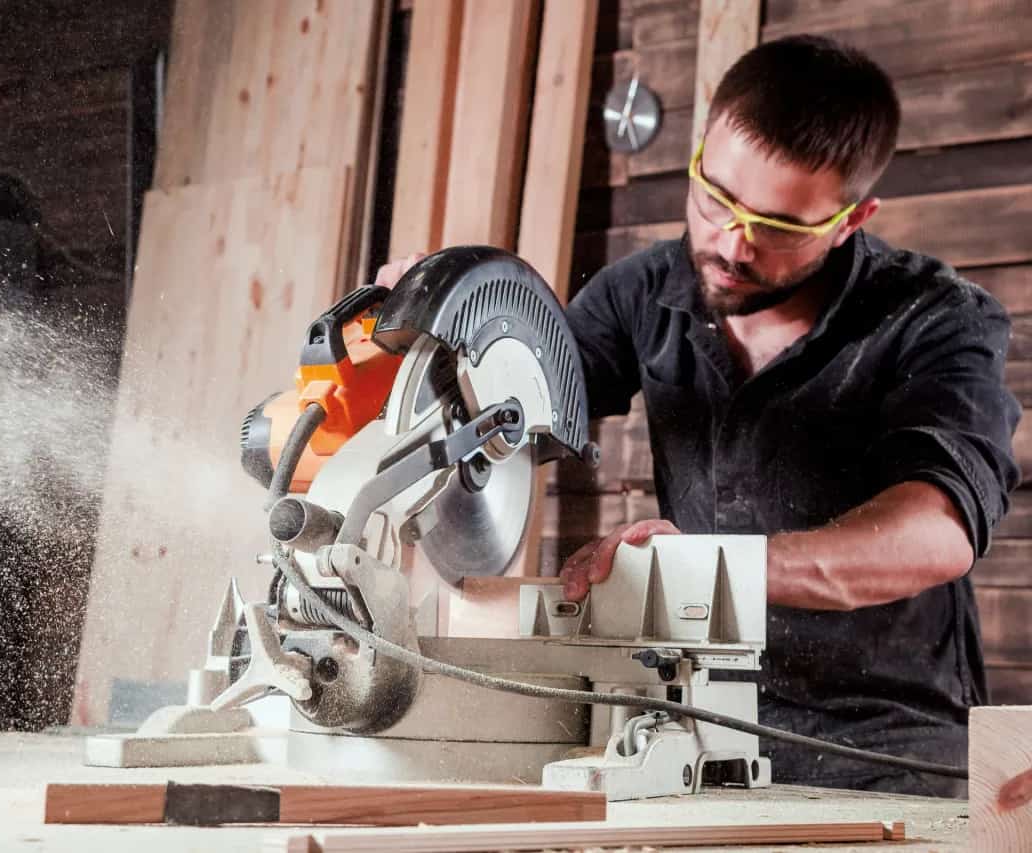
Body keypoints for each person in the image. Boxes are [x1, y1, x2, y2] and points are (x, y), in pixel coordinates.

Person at [376, 35, 1020, 798]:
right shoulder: (641, 292)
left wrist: (704, 567)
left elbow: (937, 532)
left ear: (851, 219)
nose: (731, 244)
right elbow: (519, 419)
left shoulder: (935, 317)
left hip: (892, 744)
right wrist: (440, 359)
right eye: (715, 199)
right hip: (704, 721)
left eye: (778, 226)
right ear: (700, 152)